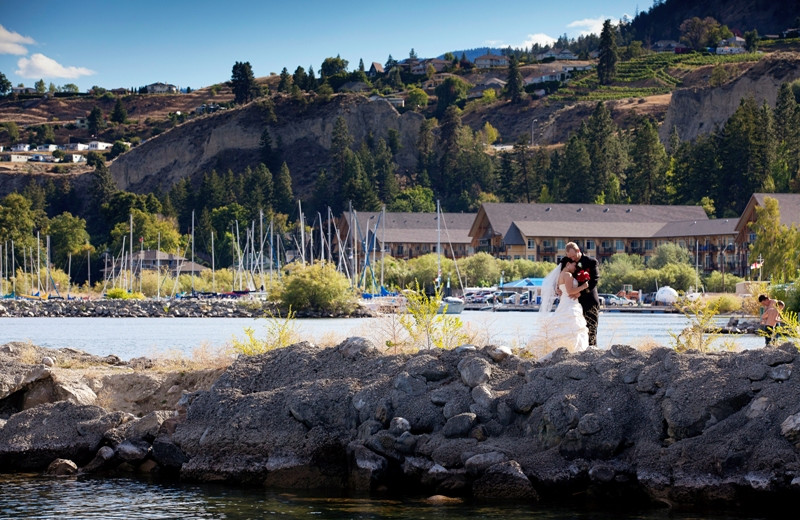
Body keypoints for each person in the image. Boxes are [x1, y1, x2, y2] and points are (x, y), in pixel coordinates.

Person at [536, 257, 590, 352]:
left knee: (565, 324)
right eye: (574, 265)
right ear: (568, 264)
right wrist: (583, 287)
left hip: (565, 302)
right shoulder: (567, 275)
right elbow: (569, 291)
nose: (575, 267)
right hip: (570, 303)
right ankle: (576, 349)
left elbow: (564, 290)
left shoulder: (560, 275)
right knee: (574, 325)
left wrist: (578, 293)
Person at [565, 242, 600, 347]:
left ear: (578, 251)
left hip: (589, 300)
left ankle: (592, 350)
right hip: (574, 303)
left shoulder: (591, 262)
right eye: (569, 257)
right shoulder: (568, 262)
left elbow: (594, 281)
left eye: (573, 256)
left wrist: (580, 293)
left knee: (591, 328)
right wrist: (558, 287)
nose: (572, 259)